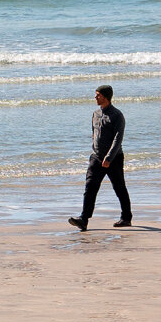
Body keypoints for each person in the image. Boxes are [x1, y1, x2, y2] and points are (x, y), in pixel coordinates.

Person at [67, 84, 132, 232]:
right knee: (90, 186)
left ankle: (126, 218)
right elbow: (94, 133)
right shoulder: (95, 113)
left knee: (119, 187)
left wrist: (109, 157)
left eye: (98, 95)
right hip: (96, 157)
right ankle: (83, 219)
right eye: (96, 95)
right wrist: (96, 151)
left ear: (106, 97)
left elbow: (118, 139)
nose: (95, 97)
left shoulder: (117, 115)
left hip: (113, 158)